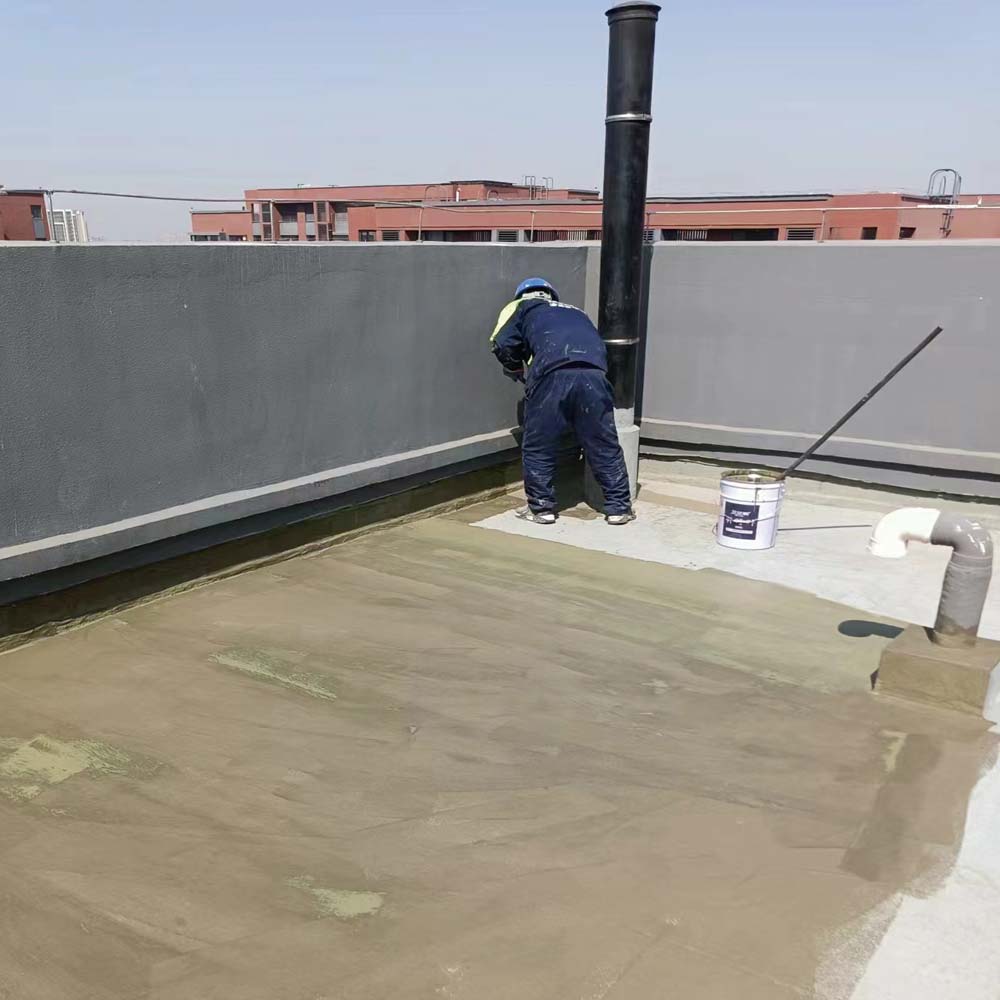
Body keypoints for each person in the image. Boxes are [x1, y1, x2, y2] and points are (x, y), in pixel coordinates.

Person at [490, 277, 635, 525]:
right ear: (551, 295)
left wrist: (514, 367)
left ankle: (541, 509)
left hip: (553, 375)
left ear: (522, 295)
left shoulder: (521, 306)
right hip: (595, 377)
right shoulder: (577, 312)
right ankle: (619, 508)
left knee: (538, 445)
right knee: (604, 444)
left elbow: (502, 342)